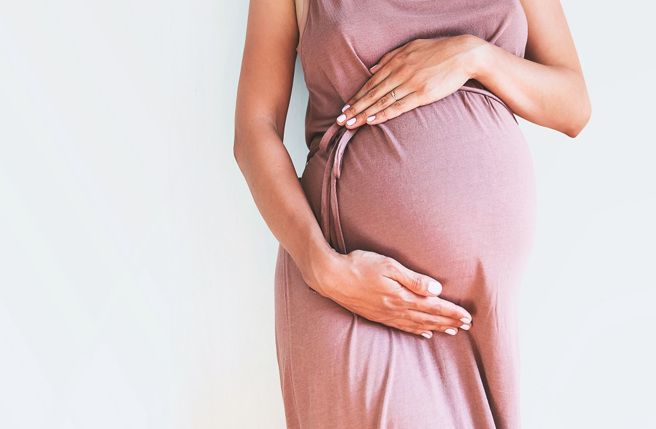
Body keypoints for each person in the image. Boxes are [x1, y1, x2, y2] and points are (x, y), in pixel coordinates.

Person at [234, 0, 590, 426]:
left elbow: (573, 106)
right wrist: (321, 267)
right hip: (353, 285)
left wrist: (473, 56)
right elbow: (254, 129)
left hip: (482, 311)